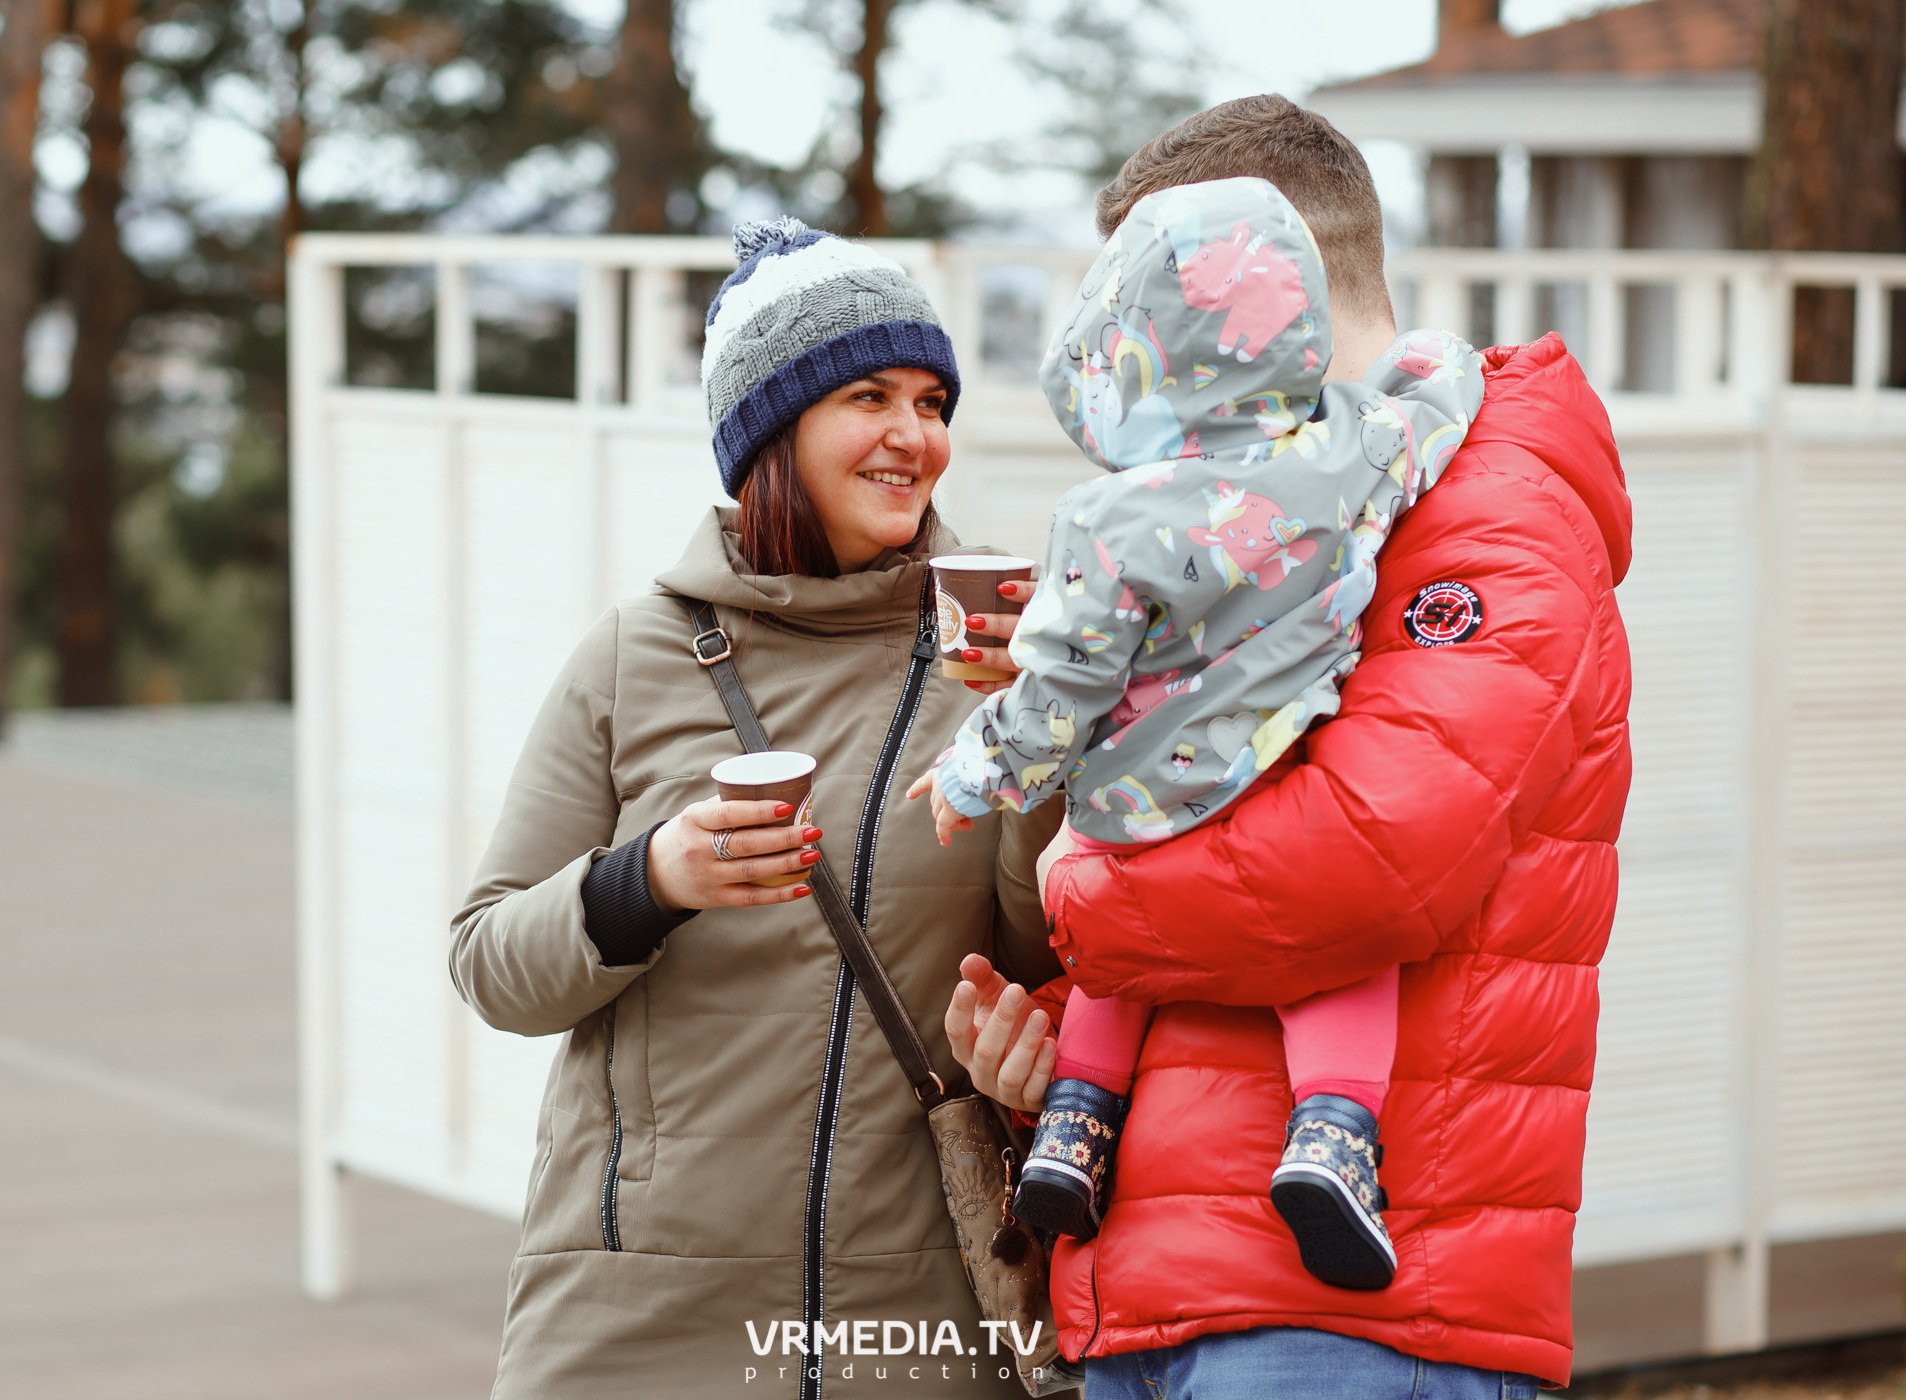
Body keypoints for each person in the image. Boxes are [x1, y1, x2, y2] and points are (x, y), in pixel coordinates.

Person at [945, 95, 1631, 1397]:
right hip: (1161, 1293)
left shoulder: (1490, 519)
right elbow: (1223, 857)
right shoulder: (1260, 505)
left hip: (1350, 1325)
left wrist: (1078, 892)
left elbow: (1369, 865)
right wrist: (1047, 1042)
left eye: (1155, 299)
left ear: (1262, 293)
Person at [449, 217, 1062, 1399]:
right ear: (772, 428)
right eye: (869, 395)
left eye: (933, 400)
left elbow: (1048, 951)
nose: (914, 435)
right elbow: (489, 962)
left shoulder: (1006, 646)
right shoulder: (634, 655)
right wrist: (651, 879)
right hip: (639, 1311)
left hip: (924, 1319)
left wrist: (1039, 734)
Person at [910, 174, 1484, 1297]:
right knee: (1338, 957)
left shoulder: (1108, 518)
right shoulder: (1351, 452)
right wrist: (1442, 356)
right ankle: (1331, 1135)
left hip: (1136, 801)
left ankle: (1076, 1126)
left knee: (1119, 951)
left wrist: (975, 770)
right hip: (1282, 767)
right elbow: (1434, 403)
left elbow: (1058, 686)